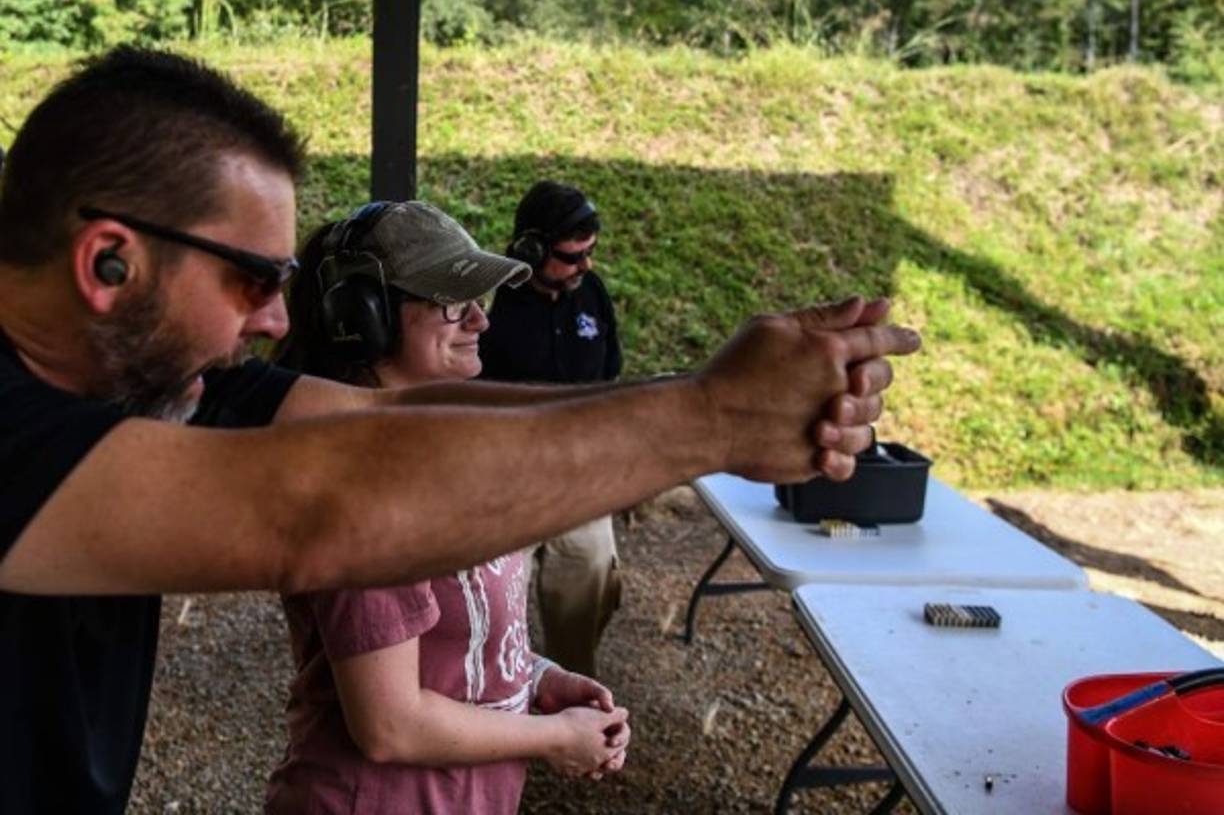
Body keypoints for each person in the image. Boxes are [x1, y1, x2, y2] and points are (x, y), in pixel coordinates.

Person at [0, 47, 919, 815]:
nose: (276, 321)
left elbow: (390, 419)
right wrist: (715, 420)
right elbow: (317, 511)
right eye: (252, 281)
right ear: (108, 261)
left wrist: (713, 396)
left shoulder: (153, 379)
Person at [265, 201, 629, 813]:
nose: (481, 322)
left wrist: (535, 678)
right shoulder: (366, 486)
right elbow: (389, 724)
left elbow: (453, 643)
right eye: (453, 303)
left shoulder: (432, 457)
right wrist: (553, 738)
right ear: (365, 320)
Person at [479, 181, 622, 676]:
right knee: (491, 599)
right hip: (510, 478)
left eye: (590, 253)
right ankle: (499, 691)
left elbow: (611, 373)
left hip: (582, 474)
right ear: (531, 250)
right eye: (571, 256)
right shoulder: (491, 309)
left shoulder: (593, 295)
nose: (585, 266)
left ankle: (572, 688)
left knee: (592, 579)